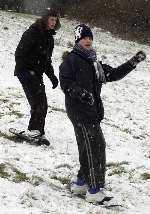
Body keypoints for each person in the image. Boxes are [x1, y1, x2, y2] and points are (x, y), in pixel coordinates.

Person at [59, 24, 146, 202]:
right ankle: (93, 191)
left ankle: (81, 183)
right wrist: (81, 93)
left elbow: (113, 74)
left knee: (95, 146)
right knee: (92, 148)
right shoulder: (71, 61)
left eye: (90, 37)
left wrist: (132, 62)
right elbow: (66, 84)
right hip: (79, 111)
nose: (88, 40)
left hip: (92, 112)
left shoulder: (94, 62)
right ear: (78, 40)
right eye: (84, 38)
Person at [14, 9, 60, 146]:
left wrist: (52, 77)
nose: (54, 23)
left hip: (37, 74)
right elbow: (19, 53)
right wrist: (25, 72)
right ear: (45, 19)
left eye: (56, 20)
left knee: (42, 103)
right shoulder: (32, 32)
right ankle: (34, 130)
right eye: (52, 19)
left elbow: (46, 61)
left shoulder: (49, 38)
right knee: (38, 102)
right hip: (26, 73)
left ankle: (38, 131)